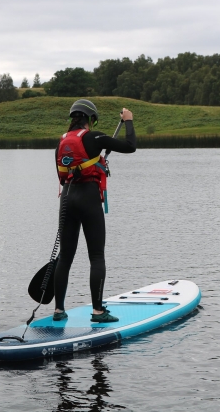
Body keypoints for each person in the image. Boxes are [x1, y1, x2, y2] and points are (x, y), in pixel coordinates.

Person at [53, 99, 136, 323]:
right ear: (90, 119)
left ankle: (59, 311)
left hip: (67, 200)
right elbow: (130, 146)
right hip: (88, 199)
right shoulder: (95, 137)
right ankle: (98, 312)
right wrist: (128, 121)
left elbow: (63, 175)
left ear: (73, 118)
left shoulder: (60, 142)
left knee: (65, 258)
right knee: (96, 256)